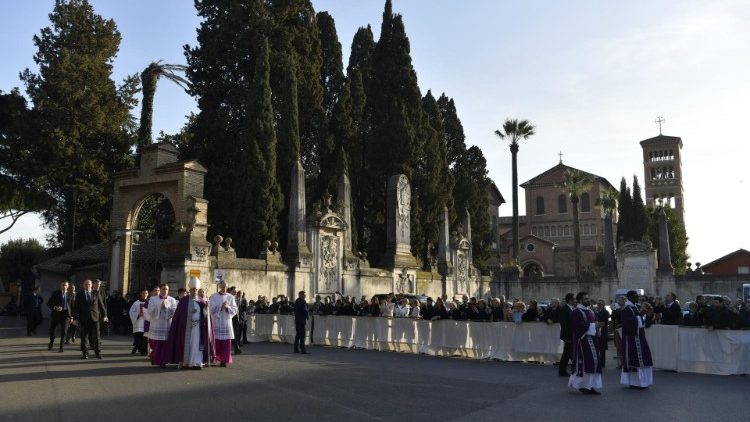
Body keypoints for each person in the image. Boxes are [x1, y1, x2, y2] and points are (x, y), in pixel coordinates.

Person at [165, 277, 216, 369]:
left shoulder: (202, 301)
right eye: (193, 289)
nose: (194, 291)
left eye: (196, 289)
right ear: (190, 290)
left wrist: (206, 308)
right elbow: (178, 316)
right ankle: (186, 362)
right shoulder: (183, 301)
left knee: (197, 345)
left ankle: (197, 363)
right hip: (185, 328)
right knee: (187, 344)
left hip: (198, 327)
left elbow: (205, 315)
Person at [568, 292, 602, 395]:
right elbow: (578, 327)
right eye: (586, 299)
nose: (588, 300)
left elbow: (593, 324)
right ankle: (583, 386)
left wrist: (598, 326)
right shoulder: (576, 312)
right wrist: (593, 326)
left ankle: (590, 386)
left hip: (592, 341)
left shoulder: (590, 311)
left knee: (593, 363)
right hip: (583, 342)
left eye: (588, 298)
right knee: (585, 364)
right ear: (579, 300)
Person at [620, 290, 653, 389]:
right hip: (632, 338)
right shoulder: (627, 309)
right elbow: (629, 323)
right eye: (635, 296)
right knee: (635, 360)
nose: (637, 297)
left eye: (637, 296)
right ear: (629, 297)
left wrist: (643, 316)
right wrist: (639, 315)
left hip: (639, 337)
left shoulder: (635, 307)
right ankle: (635, 382)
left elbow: (640, 322)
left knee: (644, 358)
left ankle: (642, 381)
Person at [71, 279, 108, 359]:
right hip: (84, 319)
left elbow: (101, 306)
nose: (87, 286)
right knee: (84, 337)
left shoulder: (96, 293)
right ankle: (85, 353)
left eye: (89, 284)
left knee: (97, 337)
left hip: (95, 318)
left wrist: (105, 316)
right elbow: (75, 308)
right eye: (86, 284)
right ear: (83, 286)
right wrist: (74, 318)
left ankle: (98, 353)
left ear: (92, 285)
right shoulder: (79, 294)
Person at [146, 283, 178, 367]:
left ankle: (163, 361)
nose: (165, 291)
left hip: (167, 325)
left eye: (166, 289)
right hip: (156, 324)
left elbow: (175, 312)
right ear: (160, 290)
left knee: (165, 344)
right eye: (163, 289)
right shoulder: (153, 299)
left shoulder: (172, 300)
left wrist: (166, 308)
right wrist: (160, 307)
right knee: (156, 344)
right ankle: (155, 358)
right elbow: (150, 311)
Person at [209, 281, 238, 366]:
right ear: (219, 286)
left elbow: (235, 310)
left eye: (225, 287)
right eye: (222, 286)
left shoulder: (231, 297)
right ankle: (216, 357)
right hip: (217, 322)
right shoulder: (214, 296)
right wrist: (220, 307)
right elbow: (211, 309)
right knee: (217, 341)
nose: (223, 288)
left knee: (226, 343)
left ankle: (224, 360)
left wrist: (227, 307)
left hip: (226, 322)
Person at [47, 280, 73, 352]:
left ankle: (61, 347)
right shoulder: (56, 293)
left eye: (66, 285)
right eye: (63, 285)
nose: (64, 287)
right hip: (56, 314)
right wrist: (55, 307)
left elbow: (72, 306)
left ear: (68, 286)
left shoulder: (70, 294)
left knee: (64, 331)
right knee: (52, 329)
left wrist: (72, 317)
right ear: (60, 286)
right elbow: (49, 303)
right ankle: (51, 342)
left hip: (66, 315)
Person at [557, 292, 575, 376]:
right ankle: (575, 370)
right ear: (570, 300)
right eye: (574, 299)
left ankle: (562, 370)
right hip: (568, 336)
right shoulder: (564, 309)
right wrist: (568, 337)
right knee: (571, 354)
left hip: (571, 335)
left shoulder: (571, 308)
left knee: (566, 354)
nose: (575, 300)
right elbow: (564, 324)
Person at [128, 289, 149, 356]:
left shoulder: (150, 302)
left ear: (147, 294)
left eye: (146, 293)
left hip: (146, 322)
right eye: (143, 293)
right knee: (139, 337)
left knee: (145, 337)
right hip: (138, 322)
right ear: (141, 294)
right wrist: (138, 314)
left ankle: (144, 350)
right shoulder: (136, 303)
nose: (144, 294)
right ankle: (139, 348)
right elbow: (131, 312)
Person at [594, 299, 610, 368]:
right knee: (596, 347)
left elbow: (604, 320)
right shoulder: (594, 312)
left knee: (602, 348)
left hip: (603, 331)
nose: (599, 305)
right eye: (598, 304)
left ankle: (602, 363)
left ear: (603, 305)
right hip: (595, 331)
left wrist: (597, 314)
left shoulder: (606, 312)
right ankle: (596, 361)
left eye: (600, 304)